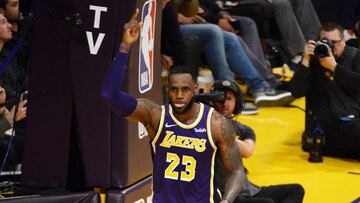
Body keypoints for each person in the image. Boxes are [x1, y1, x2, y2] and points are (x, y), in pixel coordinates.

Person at [101, 9, 244, 203]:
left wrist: (226, 200)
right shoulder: (155, 116)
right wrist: (125, 46)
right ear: (167, 90)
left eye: (185, 90)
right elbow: (110, 94)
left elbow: (236, 171)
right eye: (174, 89)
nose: (179, 95)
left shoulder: (216, 124)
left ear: (195, 89)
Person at [211, 80, 305, 203]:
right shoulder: (207, 126)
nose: (224, 103)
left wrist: (224, 137)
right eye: (220, 99)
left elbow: (247, 151)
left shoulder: (243, 129)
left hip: (249, 190)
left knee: (296, 190)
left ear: (237, 103)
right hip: (226, 195)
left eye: (229, 99)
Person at [289, 23, 360, 160]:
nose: (331, 47)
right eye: (326, 42)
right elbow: (296, 91)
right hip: (327, 127)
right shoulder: (312, 61)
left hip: (354, 120)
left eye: (334, 42)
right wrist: (305, 61)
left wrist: (335, 68)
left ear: (343, 42)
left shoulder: (355, 57)